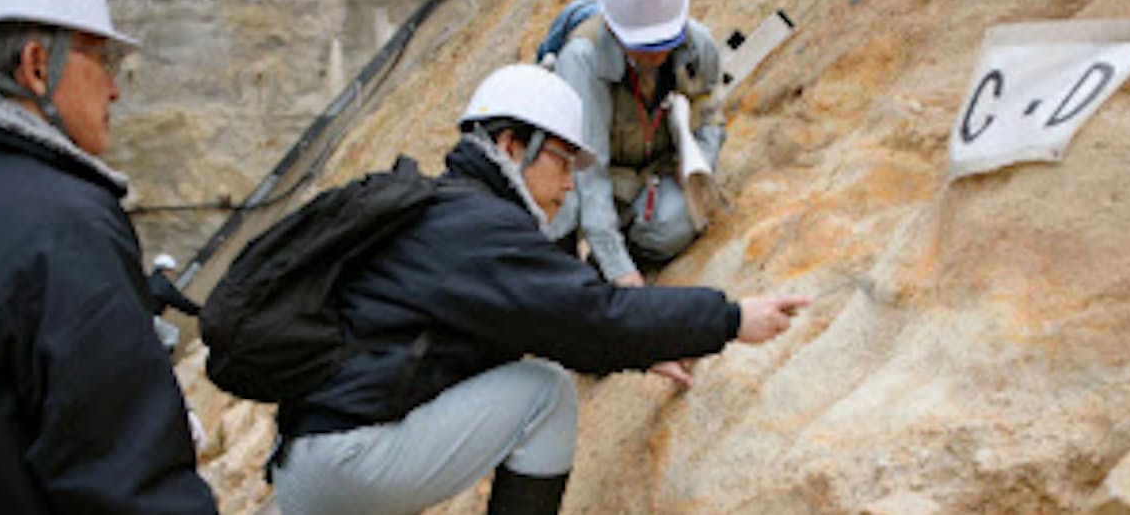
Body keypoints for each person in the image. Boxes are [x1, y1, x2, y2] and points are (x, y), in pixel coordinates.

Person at [270, 64, 808, 515]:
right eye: (562, 161)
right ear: (511, 146)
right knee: (545, 394)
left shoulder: (443, 211)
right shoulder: (477, 227)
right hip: (352, 462)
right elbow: (591, 317)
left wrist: (647, 348)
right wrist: (730, 319)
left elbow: (550, 326)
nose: (570, 183)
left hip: (306, 465)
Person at [0, 0, 217, 512]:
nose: (115, 91)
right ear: (36, 64)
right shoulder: (58, 225)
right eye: (103, 58)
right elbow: (126, 484)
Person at [548, 0, 726, 288]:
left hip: (649, 173)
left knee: (674, 224)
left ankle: (627, 245)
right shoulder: (583, 60)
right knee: (559, 222)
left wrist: (697, 164)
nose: (655, 56)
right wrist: (618, 269)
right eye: (643, 47)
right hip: (584, 176)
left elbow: (710, 118)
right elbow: (588, 171)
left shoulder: (697, 46)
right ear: (612, 27)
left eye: (664, 43)